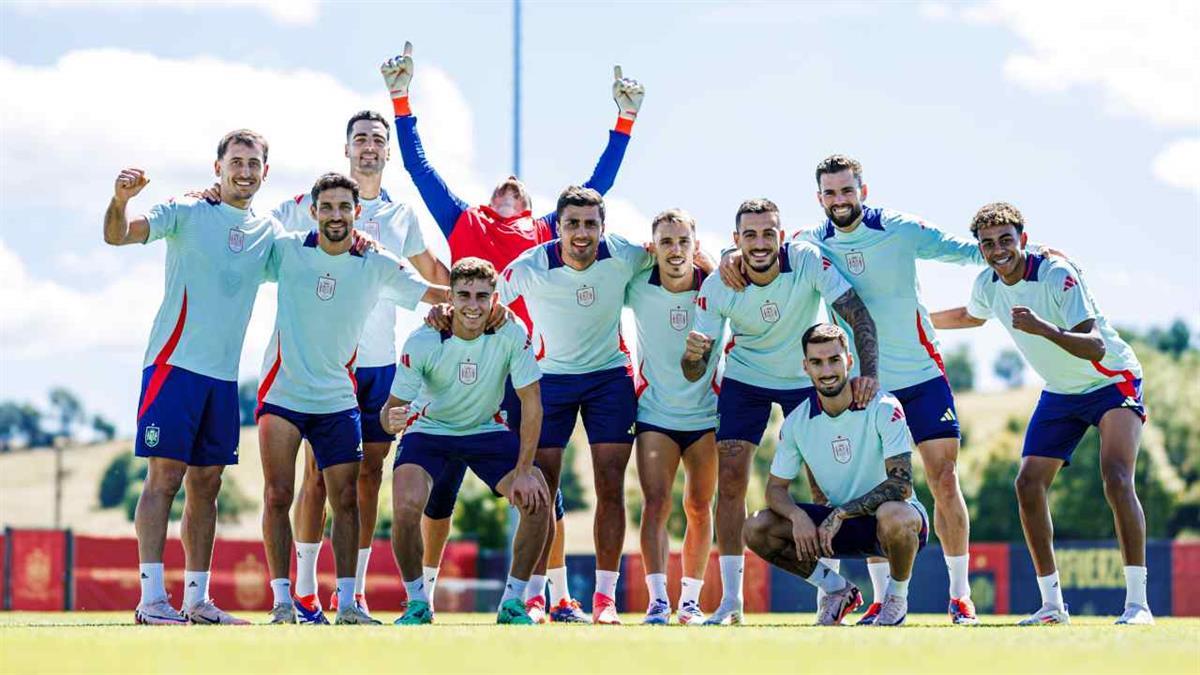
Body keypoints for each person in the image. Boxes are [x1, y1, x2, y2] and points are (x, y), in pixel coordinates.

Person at [381, 43, 644, 621]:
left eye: (520, 186)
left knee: (540, 490)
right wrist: (401, 101)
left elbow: (594, 190)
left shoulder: (549, 229)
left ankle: (551, 597)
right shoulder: (464, 221)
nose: (510, 182)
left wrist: (622, 124)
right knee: (437, 503)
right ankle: (420, 596)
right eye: (503, 182)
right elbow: (420, 171)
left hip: (522, 371)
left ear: (531, 207)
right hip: (456, 375)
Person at [719, 154, 980, 624]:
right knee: (864, 483)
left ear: (864, 189)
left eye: (847, 190)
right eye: (831, 193)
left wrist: (1031, 255)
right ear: (819, 198)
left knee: (943, 479)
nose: (840, 200)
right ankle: (880, 597)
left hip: (920, 374)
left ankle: (959, 596)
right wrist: (726, 258)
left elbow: (968, 250)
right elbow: (760, 248)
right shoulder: (811, 242)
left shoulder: (901, 228)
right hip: (861, 383)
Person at [931, 202, 1153, 626]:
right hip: (1062, 392)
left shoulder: (1055, 273)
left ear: (1022, 240)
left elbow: (1095, 345)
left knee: (1116, 478)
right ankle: (1053, 606)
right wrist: (918, 318)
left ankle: (1137, 605)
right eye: (988, 244)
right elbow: (969, 317)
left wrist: (1043, 329)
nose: (998, 250)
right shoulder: (987, 284)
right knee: (1028, 484)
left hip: (1111, 380)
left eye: (1005, 240)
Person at [270, 110, 449, 619]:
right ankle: (303, 588)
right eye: (360, 139)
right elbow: (257, 226)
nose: (369, 146)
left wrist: (478, 288)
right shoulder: (317, 202)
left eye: (377, 140)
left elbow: (431, 273)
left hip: (381, 365)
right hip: (327, 364)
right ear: (346, 148)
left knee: (369, 478)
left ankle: (354, 592)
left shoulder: (401, 215)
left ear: (387, 153)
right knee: (317, 478)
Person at [103, 129, 281, 626]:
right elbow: (117, 234)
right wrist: (120, 201)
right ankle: (151, 600)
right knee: (165, 479)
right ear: (217, 166)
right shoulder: (184, 210)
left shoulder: (267, 231)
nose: (244, 171)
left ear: (265, 172)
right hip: (172, 367)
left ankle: (197, 601)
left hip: (222, 379)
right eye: (236, 161)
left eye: (253, 164)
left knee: (208, 484)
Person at [684, 198, 879, 625]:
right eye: (749, 235)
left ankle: (832, 593)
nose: (759, 242)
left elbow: (855, 311)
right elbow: (695, 367)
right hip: (745, 378)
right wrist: (694, 355)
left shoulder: (806, 260)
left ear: (782, 235)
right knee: (731, 482)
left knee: (824, 486)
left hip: (802, 380)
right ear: (735, 241)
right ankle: (732, 601)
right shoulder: (719, 283)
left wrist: (869, 373)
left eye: (768, 233)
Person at [498, 185, 656, 624]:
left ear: (603, 227)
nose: (582, 233)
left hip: (609, 379)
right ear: (558, 227)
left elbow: (670, 254)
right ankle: (535, 595)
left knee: (610, 485)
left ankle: (605, 599)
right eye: (572, 224)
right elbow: (484, 303)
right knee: (541, 491)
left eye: (590, 224)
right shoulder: (531, 265)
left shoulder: (622, 254)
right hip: (551, 382)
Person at [380, 257, 552, 626]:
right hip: (430, 430)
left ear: (494, 298)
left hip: (486, 430)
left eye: (481, 296)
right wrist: (390, 419)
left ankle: (513, 604)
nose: (473, 305)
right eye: (464, 295)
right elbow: (390, 411)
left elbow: (532, 401)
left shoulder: (510, 331)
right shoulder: (424, 339)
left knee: (539, 500)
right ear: (451, 298)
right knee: (407, 506)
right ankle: (416, 603)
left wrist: (523, 470)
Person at [743, 323, 929, 627]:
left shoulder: (883, 406)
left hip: (892, 525)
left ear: (849, 361)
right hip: (837, 528)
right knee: (757, 526)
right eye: (816, 362)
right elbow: (775, 490)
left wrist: (842, 512)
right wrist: (797, 516)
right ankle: (836, 589)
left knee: (894, 514)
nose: (826, 370)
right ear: (805, 367)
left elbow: (901, 484)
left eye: (834, 360)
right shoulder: (797, 421)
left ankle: (896, 598)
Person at [624, 209, 718, 625]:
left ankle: (691, 602)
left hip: (706, 416)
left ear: (695, 246)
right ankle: (658, 601)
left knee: (699, 506)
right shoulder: (637, 286)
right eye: (666, 242)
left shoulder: (715, 287)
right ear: (653, 247)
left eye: (683, 241)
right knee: (656, 504)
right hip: (655, 414)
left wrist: (718, 264)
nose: (676, 250)